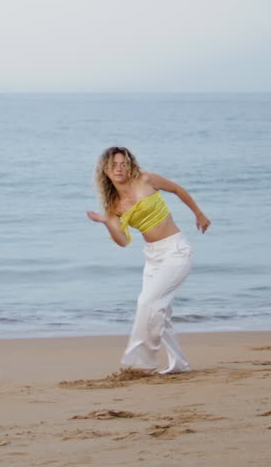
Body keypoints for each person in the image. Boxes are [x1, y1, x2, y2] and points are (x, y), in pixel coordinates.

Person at [87, 146, 211, 374]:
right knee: (158, 312)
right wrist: (106, 222)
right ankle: (179, 364)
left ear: (130, 166)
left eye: (123, 164)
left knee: (147, 303)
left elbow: (176, 189)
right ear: (105, 170)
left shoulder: (146, 180)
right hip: (153, 257)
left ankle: (142, 363)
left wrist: (199, 213)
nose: (119, 169)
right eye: (113, 165)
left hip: (176, 250)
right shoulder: (114, 205)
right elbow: (123, 241)